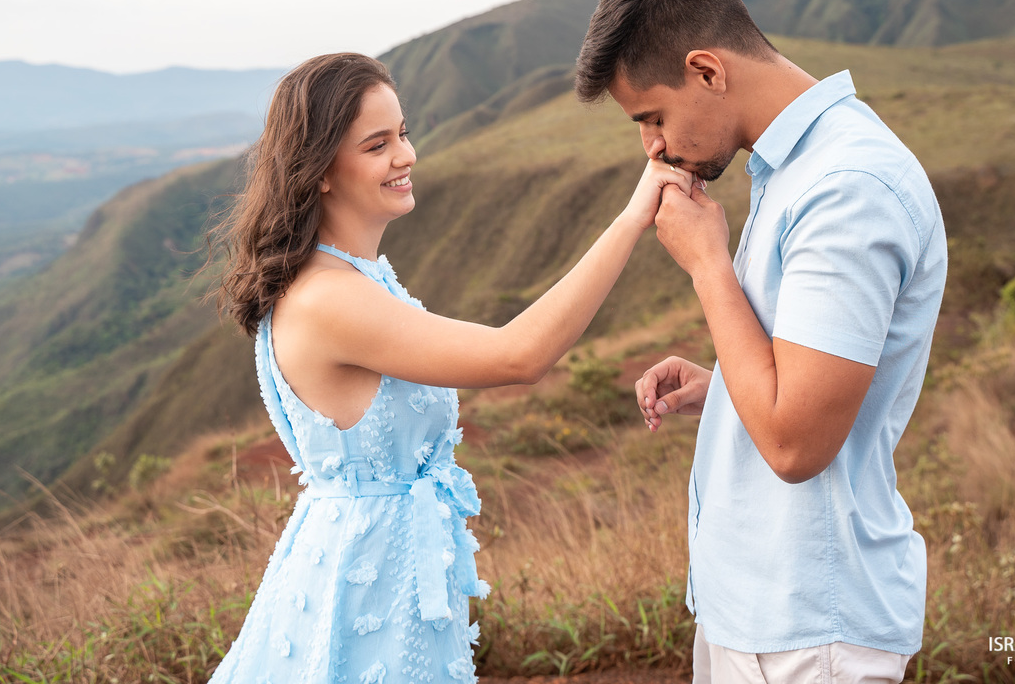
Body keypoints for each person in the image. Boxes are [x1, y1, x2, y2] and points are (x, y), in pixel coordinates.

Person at [208, 52, 691, 683]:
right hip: (366, 588)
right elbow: (519, 355)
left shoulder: (351, 278)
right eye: (377, 144)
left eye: (403, 133)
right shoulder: (332, 298)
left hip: (380, 566)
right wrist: (633, 218)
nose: (405, 155)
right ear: (320, 170)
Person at [574, 0, 948, 683]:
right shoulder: (797, 169)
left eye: (652, 116)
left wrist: (709, 267)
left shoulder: (846, 188)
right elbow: (813, 391)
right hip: (759, 611)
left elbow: (796, 444)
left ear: (708, 71)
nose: (651, 147)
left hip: (813, 628)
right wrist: (723, 390)